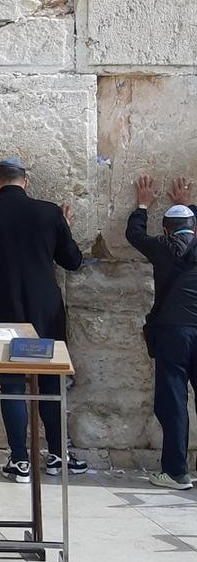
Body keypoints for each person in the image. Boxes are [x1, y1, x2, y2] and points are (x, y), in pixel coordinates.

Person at [0, 157, 88, 483]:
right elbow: (73, 261)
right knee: (51, 383)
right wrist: (64, 227)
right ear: (26, 182)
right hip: (45, 314)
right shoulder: (50, 212)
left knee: (12, 384)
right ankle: (57, 454)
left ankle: (20, 460)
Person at [125, 176, 197, 491]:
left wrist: (143, 204)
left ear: (166, 228)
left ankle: (176, 472)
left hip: (172, 331)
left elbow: (134, 233)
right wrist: (185, 202)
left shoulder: (162, 246)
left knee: (173, 400)